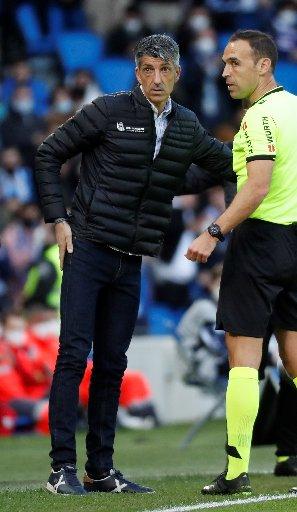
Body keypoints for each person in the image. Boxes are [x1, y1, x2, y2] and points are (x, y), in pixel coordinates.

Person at [34, 33, 234, 496]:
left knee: (112, 363)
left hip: (131, 261)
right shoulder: (109, 109)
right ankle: (61, 467)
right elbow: (48, 153)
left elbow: (227, 164)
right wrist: (57, 219)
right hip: (86, 250)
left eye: (165, 70)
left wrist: (232, 214)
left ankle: (100, 469)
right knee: (72, 356)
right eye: (147, 68)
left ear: (179, 73)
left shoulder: (185, 125)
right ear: (136, 72)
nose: (156, 78)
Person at [185, 29, 297, 495]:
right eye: (224, 64)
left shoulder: (256, 119)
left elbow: (256, 187)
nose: (225, 72)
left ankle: (235, 472)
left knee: (244, 362)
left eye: (234, 63)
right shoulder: (295, 108)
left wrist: (214, 232)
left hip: (259, 245)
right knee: (294, 359)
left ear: (264, 65)